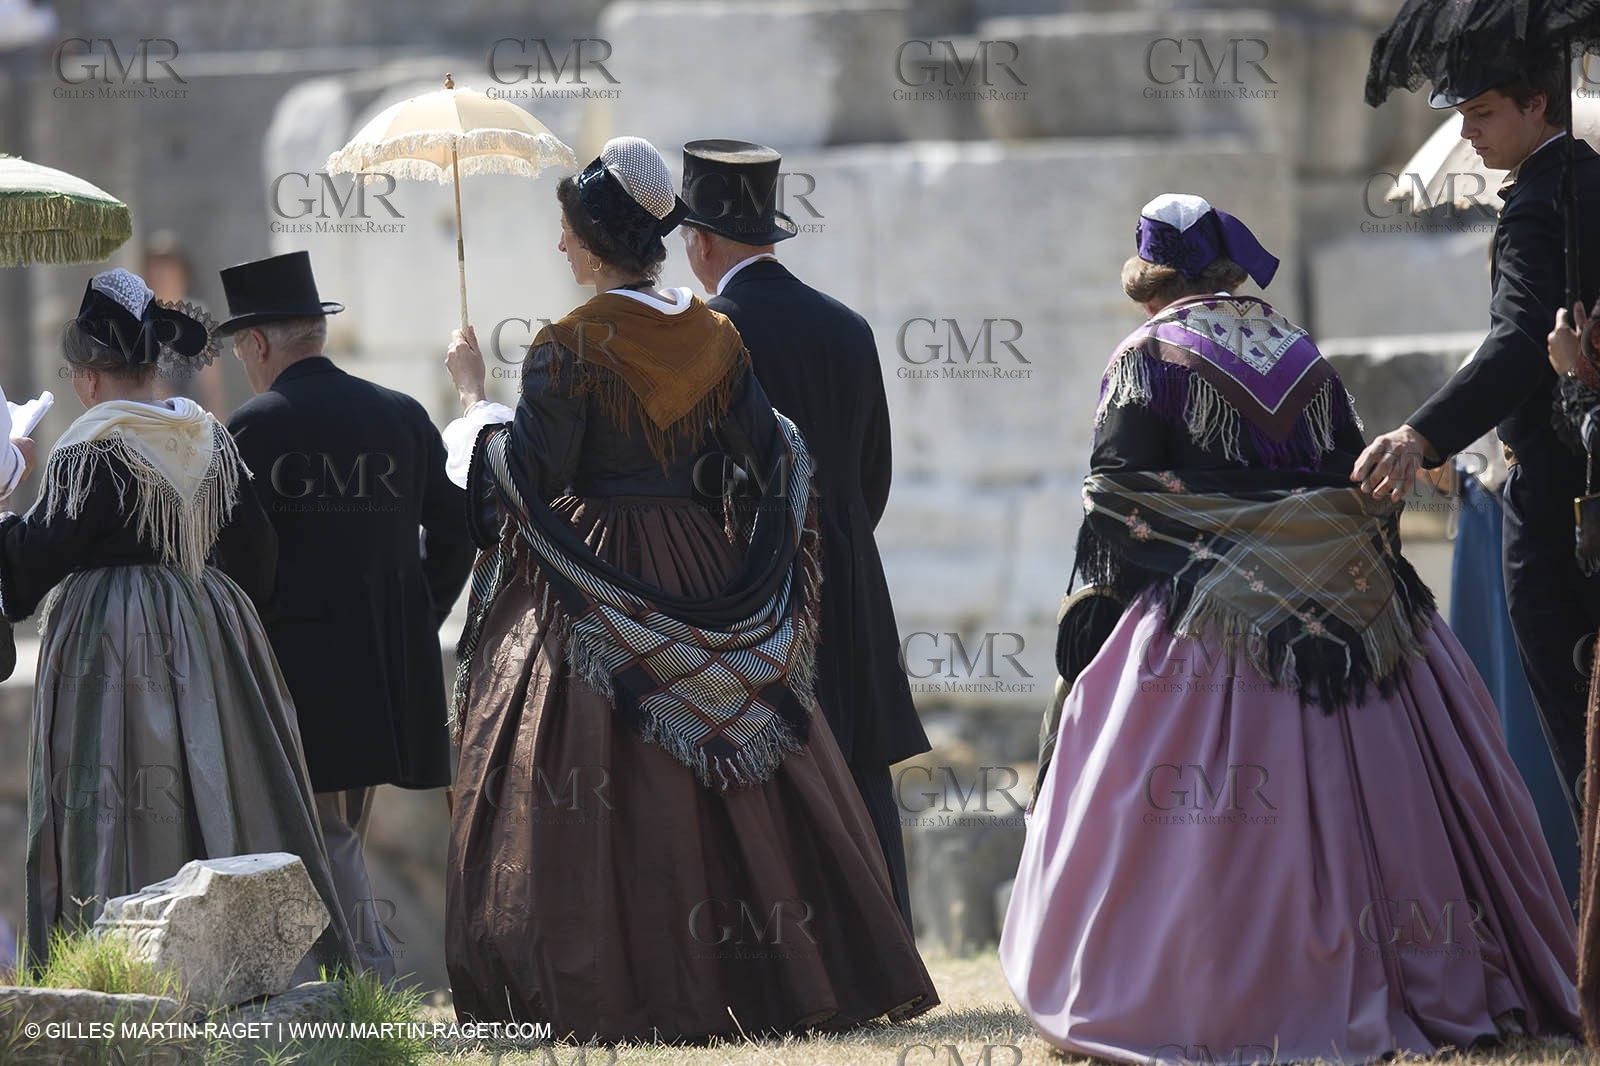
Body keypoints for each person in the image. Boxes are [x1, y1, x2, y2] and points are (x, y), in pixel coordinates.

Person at [1001, 194, 1580, 1063]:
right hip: (1359, 617)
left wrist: (1101, 630)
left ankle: (1214, 993)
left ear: (1153, 283)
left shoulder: (1148, 354)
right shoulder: (1301, 352)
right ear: (1227, 271)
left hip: (1211, 626)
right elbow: (1352, 482)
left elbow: (1118, 501)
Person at [439, 136, 937, 1042]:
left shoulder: (566, 347)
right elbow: (769, 455)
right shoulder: (715, 334)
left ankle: (617, 985)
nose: (559, 249)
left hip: (601, 577)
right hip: (705, 566)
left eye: (565, 233)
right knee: (743, 768)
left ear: (592, 241)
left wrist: (474, 411)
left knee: (582, 779)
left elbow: (529, 478)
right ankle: (761, 971)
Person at [0, 268, 355, 972]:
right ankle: (247, 961)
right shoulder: (211, 440)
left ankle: (126, 965)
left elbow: (29, 569)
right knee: (221, 784)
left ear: (92, 374)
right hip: (212, 636)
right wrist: (210, 612)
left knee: (120, 803)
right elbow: (259, 557)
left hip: (112, 650)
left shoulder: (89, 446)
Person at [678, 138, 929, 930]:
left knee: (772, 775)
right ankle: (889, 942)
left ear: (703, 240)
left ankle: (800, 960)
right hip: (852, 578)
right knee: (860, 773)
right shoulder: (848, 326)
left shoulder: (709, 335)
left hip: (756, 587)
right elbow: (873, 475)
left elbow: (704, 483)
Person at [1353, 58, 1600, 837]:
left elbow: (1521, 343)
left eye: (1484, 112)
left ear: (1538, 105)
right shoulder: (1587, 181)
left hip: (1559, 500)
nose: (1467, 131)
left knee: (1577, 733)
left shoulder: (1539, 203)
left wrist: (1418, 431)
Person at [220, 251, 474, 979]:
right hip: (384, 670)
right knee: (337, 831)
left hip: (295, 674)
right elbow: (458, 527)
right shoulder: (398, 414)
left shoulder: (252, 428)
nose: (244, 364)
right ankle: (344, 986)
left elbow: (232, 556)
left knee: (321, 833)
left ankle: (367, 985)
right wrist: (418, 613)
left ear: (260, 344)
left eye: (242, 350)